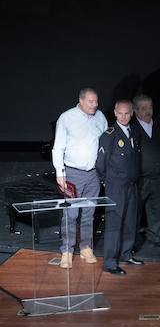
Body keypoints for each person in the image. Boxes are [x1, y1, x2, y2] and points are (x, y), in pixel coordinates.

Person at [52, 88, 108, 269]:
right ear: (81, 100)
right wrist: (60, 173)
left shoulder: (100, 117)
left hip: (93, 174)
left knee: (89, 213)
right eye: (91, 101)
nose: (95, 105)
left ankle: (85, 248)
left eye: (96, 101)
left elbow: (105, 145)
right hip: (73, 173)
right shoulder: (67, 118)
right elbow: (58, 147)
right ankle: (66, 251)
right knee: (70, 214)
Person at [96, 100, 143, 275]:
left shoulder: (135, 132)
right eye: (120, 113)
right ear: (115, 113)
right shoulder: (109, 134)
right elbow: (100, 162)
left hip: (131, 184)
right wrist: (106, 180)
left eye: (127, 113)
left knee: (130, 221)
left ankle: (125, 254)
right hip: (116, 185)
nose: (123, 117)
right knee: (114, 224)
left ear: (132, 113)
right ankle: (110, 263)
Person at [132, 94, 160, 249]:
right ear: (135, 110)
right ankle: (131, 242)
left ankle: (156, 236)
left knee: (156, 210)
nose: (148, 111)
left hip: (159, 177)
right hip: (140, 179)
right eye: (143, 108)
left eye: (150, 107)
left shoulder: (159, 124)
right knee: (135, 212)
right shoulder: (132, 128)